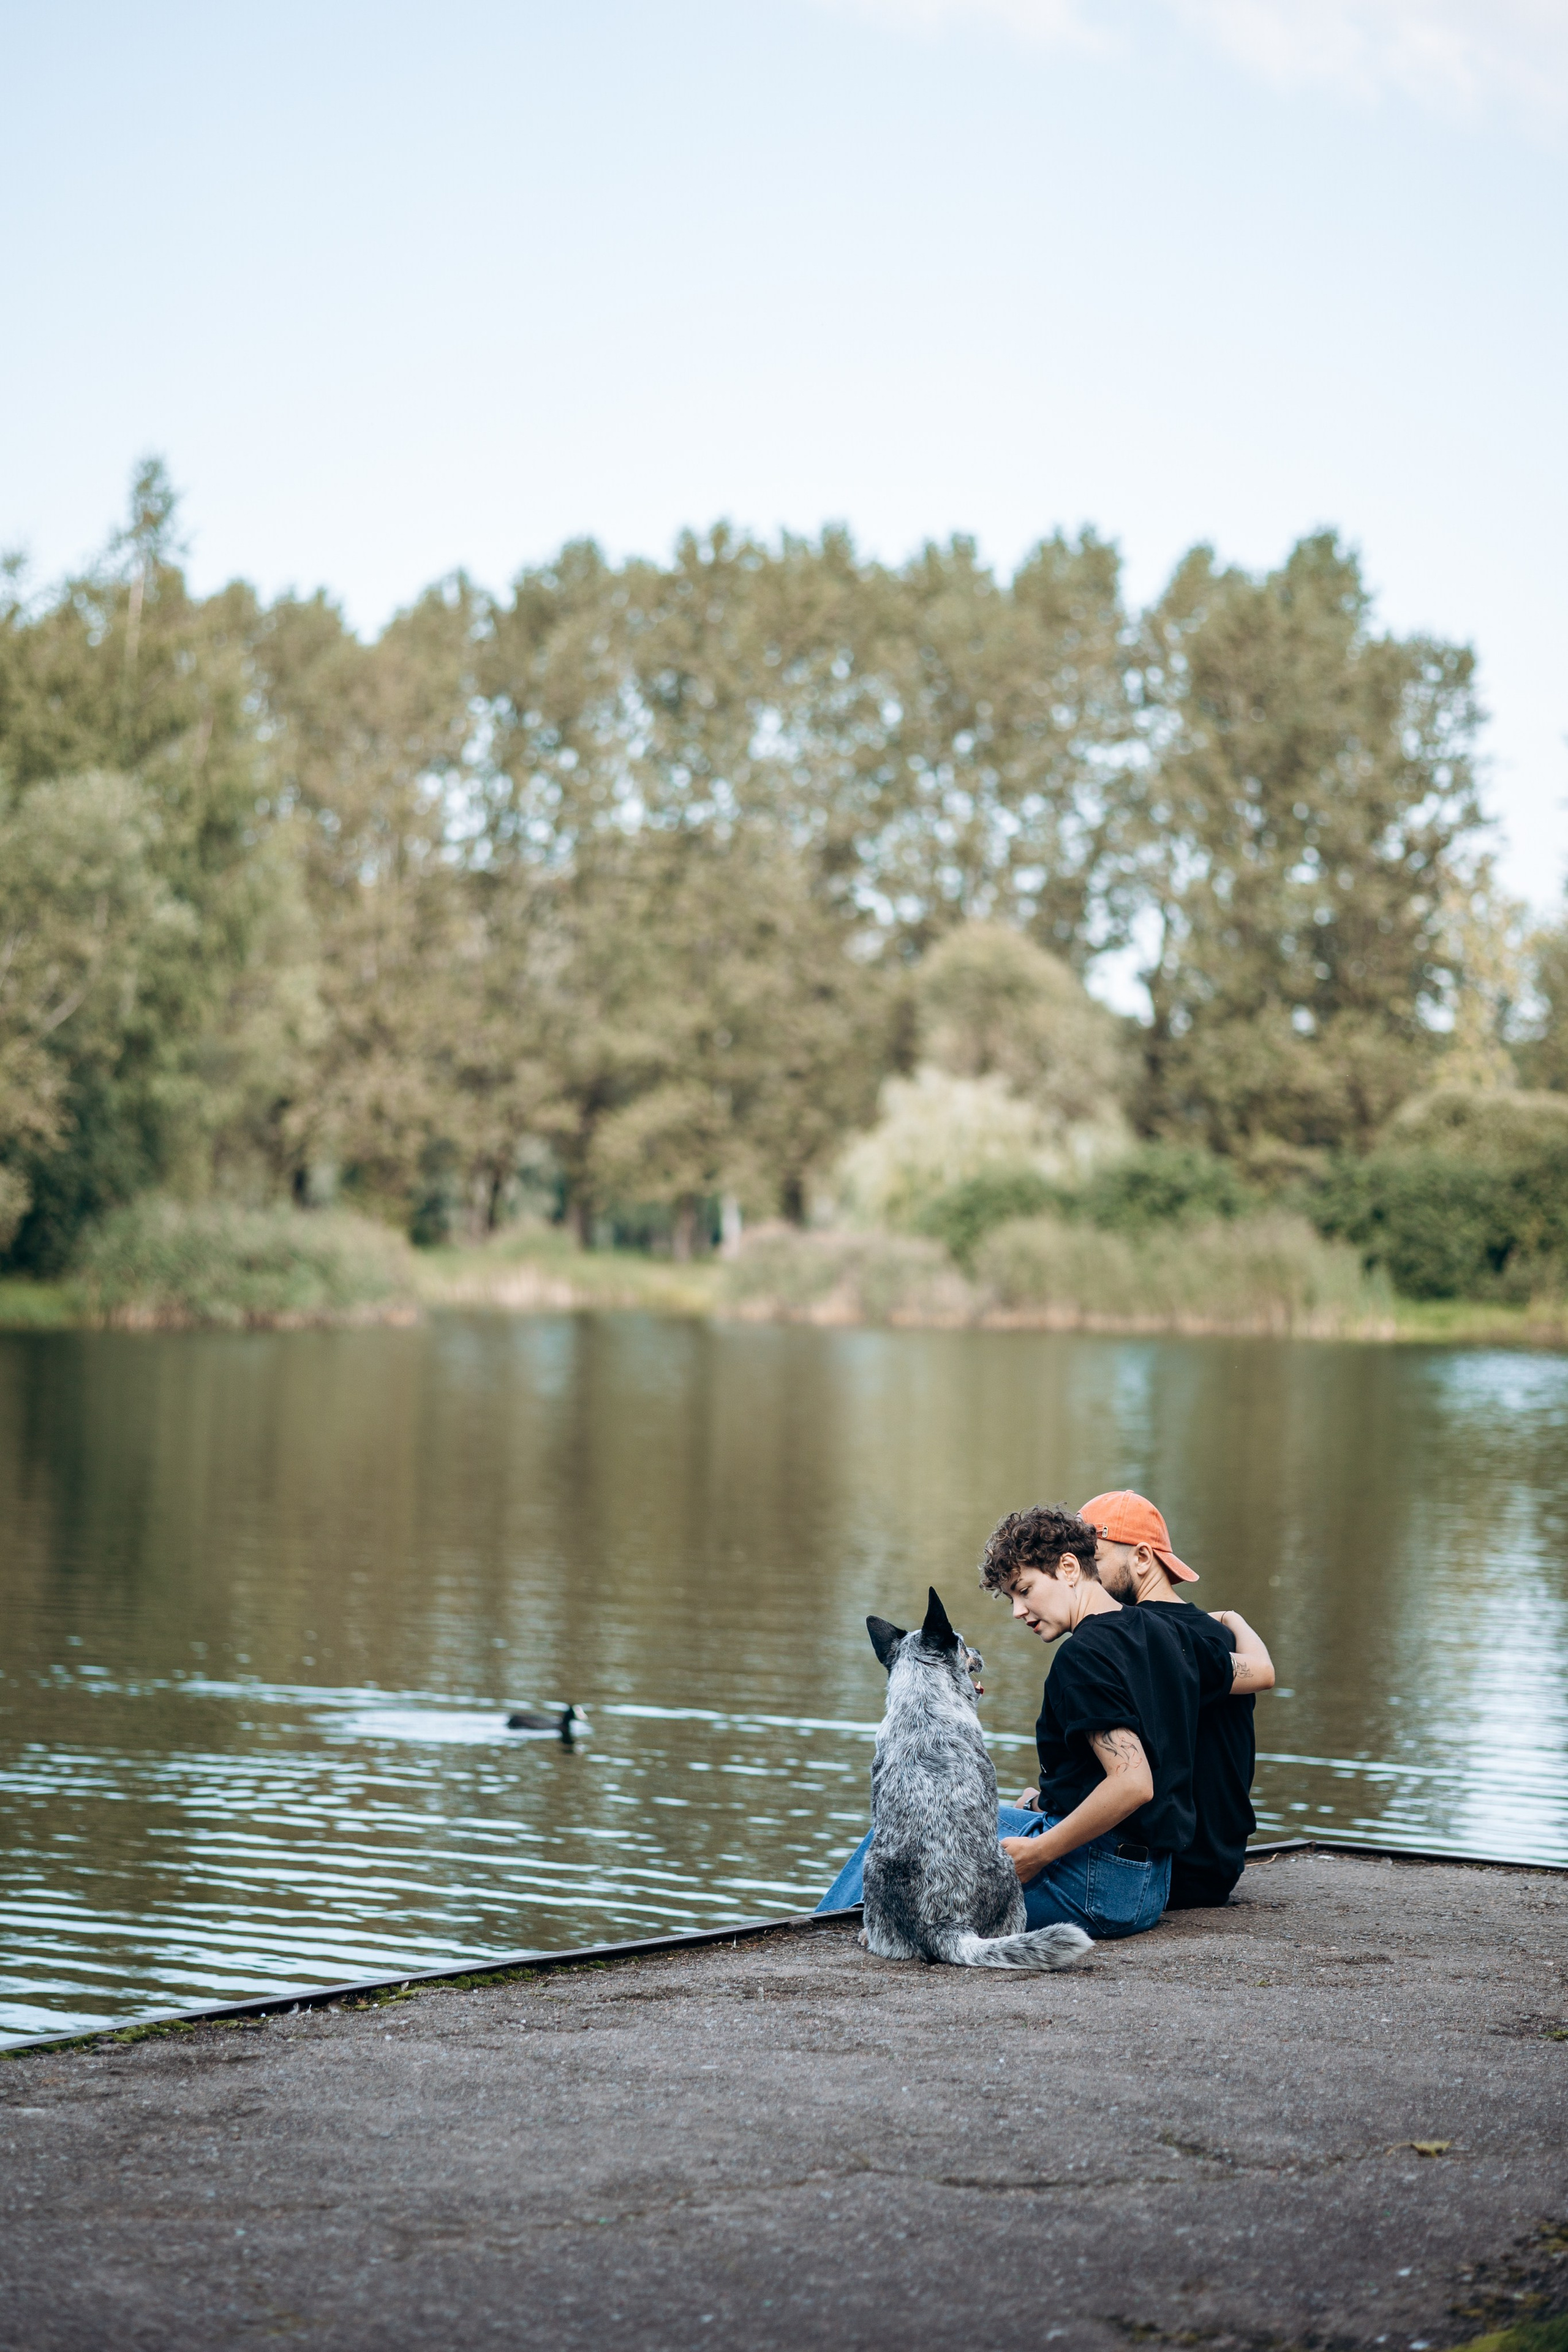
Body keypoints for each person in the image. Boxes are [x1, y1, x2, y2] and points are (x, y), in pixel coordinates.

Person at [816, 1503, 1237, 1940]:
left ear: (1069, 1568)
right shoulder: (1167, 1630)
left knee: (902, 1836)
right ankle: (862, 1918)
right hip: (1152, 1885)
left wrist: (1038, 1853)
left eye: (1025, 1589)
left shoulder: (1083, 1657)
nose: (1018, 1610)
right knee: (938, 1825)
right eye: (1011, 1598)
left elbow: (1133, 1783)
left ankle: (831, 1927)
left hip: (1097, 1887)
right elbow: (1242, 1676)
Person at [1076, 1489, 1273, 1910]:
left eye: (1094, 1559)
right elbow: (1263, 1672)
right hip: (1218, 1865)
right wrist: (1233, 1618)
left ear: (1142, 1558)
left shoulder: (1134, 1639)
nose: (1083, 1576)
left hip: (1166, 1870)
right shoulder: (1217, 1637)